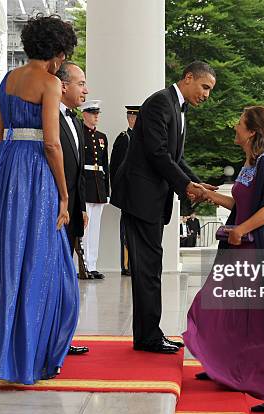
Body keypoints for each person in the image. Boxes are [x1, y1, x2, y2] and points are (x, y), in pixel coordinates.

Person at [183, 106, 264, 413]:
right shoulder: (249, 163)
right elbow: (238, 202)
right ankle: (224, 365)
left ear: (252, 131)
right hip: (240, 245)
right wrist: (208, 194)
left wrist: (240, 230)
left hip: (259, 246)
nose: (235, 129)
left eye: (239, 124)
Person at [0, 14, 81, 385]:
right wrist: (64, 195)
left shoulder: (8, 79)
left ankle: (7, 351)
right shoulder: (50, 83)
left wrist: (5, 170)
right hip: (35, 172)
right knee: (40, 257)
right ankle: (31, 355)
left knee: (8, 257)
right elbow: (51, 143)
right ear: (57, 51)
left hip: (3, 169)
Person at [111, 61, 217, 354]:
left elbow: (175, 158)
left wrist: (198, 184)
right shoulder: (160, 102)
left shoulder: (177, 108)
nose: (207, 95)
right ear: (188, 78)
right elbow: (157, 154)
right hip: (141, 198)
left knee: (151, 267)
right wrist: (186, 187)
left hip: (152, 200)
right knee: (147, 269)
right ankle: (148, 337)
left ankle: (149, 333)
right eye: (205, 87)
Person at [55, 62, 89, 262]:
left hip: (73, 207)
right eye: (81, 83)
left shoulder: (76, 122)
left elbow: (80, 170)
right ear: (64, 86)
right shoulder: (48, 117)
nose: (86, 90)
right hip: (55, 205)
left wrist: (81, 207)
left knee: (66, 262)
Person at [79, 99, 109, 280]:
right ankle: (81, 265)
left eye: (97, 113)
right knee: (83, 230)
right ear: (84, 114)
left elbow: (106, 165)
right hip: (85, 185)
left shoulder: (102, 137)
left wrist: (107, 191)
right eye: (92, 113)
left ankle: (92, 264)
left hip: (99, 187)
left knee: (95, 230)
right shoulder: (79, 134)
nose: (96, 116)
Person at [110, 105, 139, 276]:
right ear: (130, 118)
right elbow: (115, 168)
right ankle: (127, 264)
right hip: (128, 193)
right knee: (127, 230)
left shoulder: (143, 138)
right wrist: (119, 192)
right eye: (135, 117)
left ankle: (136, 263)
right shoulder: (124, 139)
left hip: (140, 193)